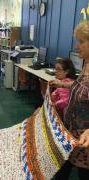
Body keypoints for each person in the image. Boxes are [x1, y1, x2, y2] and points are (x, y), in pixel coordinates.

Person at [50, 21, 89, 179]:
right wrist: (64, 84)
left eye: (81, 41)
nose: (76, 46)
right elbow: (84, 89)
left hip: (85, 145)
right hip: (72, 136)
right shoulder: (86, 64)